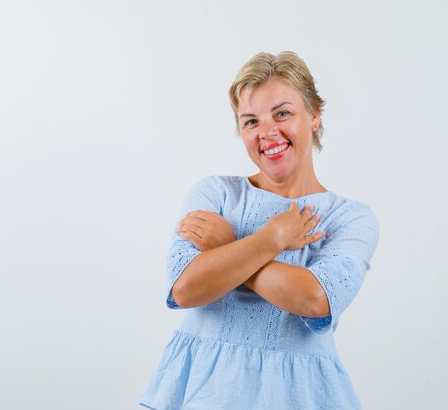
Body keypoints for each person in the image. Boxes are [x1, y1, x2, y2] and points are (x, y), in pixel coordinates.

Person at [139, 51, 380, 410]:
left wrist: (230, 246)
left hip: (298, 395)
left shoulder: (351, 218)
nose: (267, 132)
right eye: (250, 121)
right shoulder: (215, 195)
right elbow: (186, 288)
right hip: (201, 390)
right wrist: (272, 240)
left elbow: (315, 300)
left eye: (282, 113)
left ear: (314, 116)